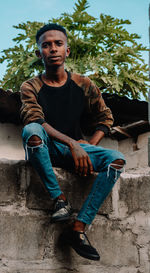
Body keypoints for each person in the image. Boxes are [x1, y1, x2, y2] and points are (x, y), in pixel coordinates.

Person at [20, 23, 125, 261]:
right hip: (45, 148)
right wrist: (73, 144)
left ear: (67, 51)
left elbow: (105, 117)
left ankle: (78, 229)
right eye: (46, 45)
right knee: (31, 129)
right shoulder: (30, 86)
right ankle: (60, 200)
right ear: (39, 54)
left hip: (74, 150)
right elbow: (36, 119)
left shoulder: (84, 84)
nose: (53, 49)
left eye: (58, 44)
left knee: (117, 160)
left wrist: (89, 147)